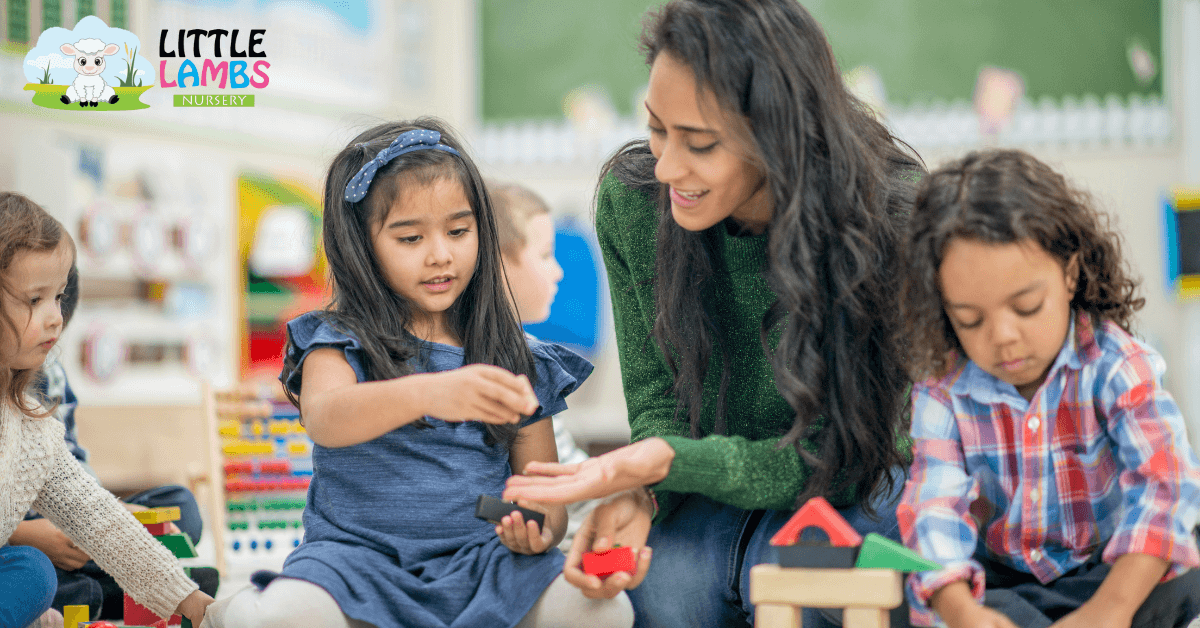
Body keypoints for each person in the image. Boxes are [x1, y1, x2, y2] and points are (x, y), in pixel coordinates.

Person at [503, 1, 924, 626]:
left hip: (851, 480)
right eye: (656, 129)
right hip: (706, 481)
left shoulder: (889, 214)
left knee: (805, 593)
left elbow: (848, 448)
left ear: (781, 138)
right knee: (661, 594)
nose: (668, 167)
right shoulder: (636, 201)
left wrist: (670, 463)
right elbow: (657, 397)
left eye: (699, 143)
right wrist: (641, 491)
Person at [200, 119, 633, 628]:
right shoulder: (335, 340)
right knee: (271, 620)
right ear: (363, 245)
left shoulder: (519, 356)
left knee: (606, 611)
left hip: (483, 562)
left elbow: (544, 498)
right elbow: (326, 417)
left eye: (458, 231)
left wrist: (537, 527)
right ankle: (228, 613)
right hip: (353, 562)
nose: (440, 255)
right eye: (409, 238)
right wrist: (431, 391)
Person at [896, 149, 1200, 628]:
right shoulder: (943, 391)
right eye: (969, 320)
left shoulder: (1116, 365)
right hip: (1005, 582)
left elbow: (1167, 489)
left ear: (1070, 274)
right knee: (907, 591)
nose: (1003, 337)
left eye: (1028, 307)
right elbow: (934, 505)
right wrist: (959, 609)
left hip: (1108, 572)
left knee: (1185, 574)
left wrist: (1110, 612)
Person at [0, 191, 213, 628]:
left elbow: (96, 518)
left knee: (31, 573)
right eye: (35, 300)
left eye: (58, 298)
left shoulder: (31, 430)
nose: (57, 317)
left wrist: (188, 600)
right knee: (34, 571)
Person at [491, 182, 595, 548]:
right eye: (547, 254)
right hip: (566, 545)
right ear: (498, 262)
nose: (559, 272)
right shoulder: (516, 357)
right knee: (639, 569)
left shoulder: (525, 353)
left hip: (580, 525)